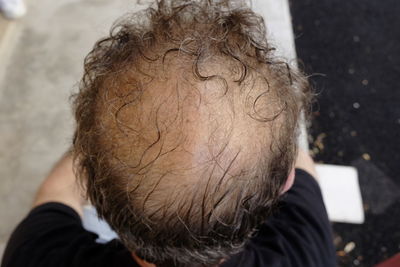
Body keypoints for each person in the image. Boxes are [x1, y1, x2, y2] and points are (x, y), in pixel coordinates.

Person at [1, 0, 337, 266]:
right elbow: (299, 165)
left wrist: (95, 144)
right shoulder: (305, 249)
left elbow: (54, 196)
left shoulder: (35, 254)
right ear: (284, 186)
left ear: (88, 178)